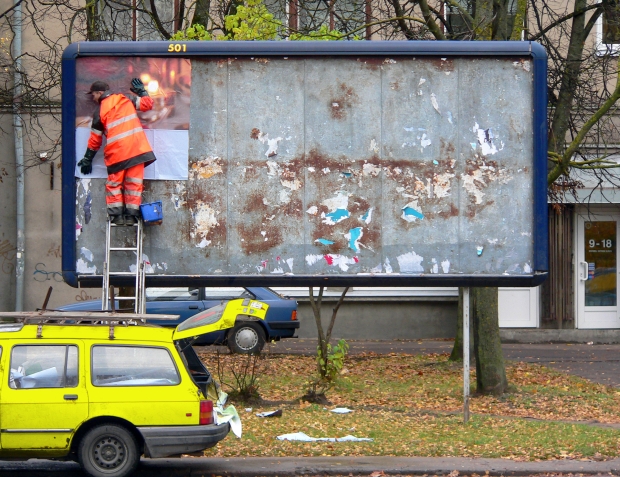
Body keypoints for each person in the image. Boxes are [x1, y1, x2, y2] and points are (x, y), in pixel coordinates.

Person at [78, 79, 157, 225]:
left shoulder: (100, 111)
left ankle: (117, 217)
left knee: (114, 185)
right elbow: (148, 104)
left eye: (94, 95)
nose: (93, 99)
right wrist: (142, 92)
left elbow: (95, 141)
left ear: (99, 93)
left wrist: (87, 158)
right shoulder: (126, 98)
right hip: (138, 150)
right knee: (134, 185)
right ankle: (131, 216)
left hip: (118, 153)